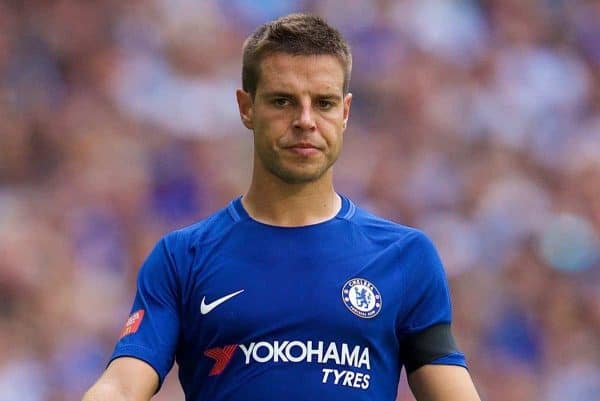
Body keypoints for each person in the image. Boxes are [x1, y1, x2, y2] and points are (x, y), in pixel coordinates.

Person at [82, 13, 481, 401]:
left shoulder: (406, 257)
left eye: (323, 103)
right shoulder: (182, 258)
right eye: (283, 101)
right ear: (246, 107)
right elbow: (122, 384)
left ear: (344, 113)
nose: (305, 120)